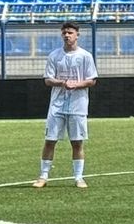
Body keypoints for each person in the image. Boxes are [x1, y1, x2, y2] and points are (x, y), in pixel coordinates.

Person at [35, 21, 97, 189]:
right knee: (50, 140)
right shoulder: (54, 55)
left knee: (77, 142)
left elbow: (92, 80)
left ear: (77, 35)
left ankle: (78, 177)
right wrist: (62, 83)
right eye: (64, 32)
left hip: (78, 105)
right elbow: (48, 80)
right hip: (57, 105)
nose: (67, 35)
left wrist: (76, 84)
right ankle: (43, 176)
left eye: (70, 32)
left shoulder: (85, 56)